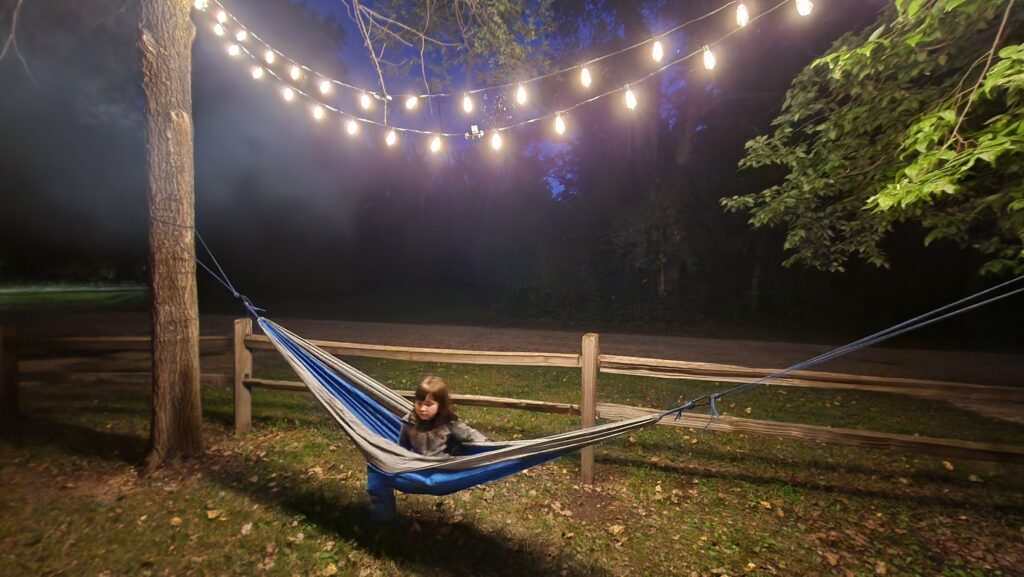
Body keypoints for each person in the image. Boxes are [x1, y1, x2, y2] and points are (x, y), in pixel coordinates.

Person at [367, 376, 487, 522]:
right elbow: (401, 449)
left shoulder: (448, 423)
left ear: (440, 405)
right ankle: (383, 514)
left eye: (429, 404)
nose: (422, 408)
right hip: (418, 468)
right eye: (419, 403)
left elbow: (471, 435)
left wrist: (491, 450)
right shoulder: (409, 421)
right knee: (376, 466)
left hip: (441, 472)